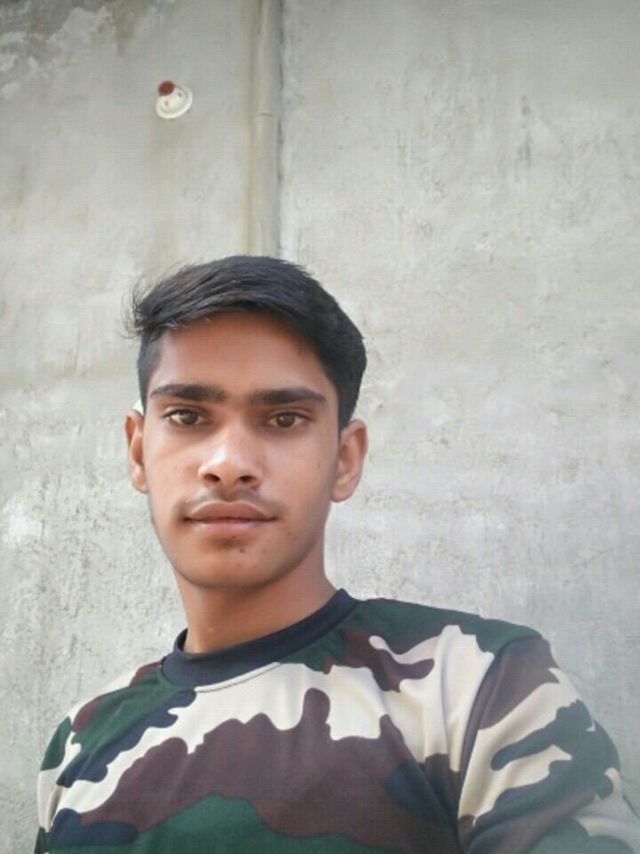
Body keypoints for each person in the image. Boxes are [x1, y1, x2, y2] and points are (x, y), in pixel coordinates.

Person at [36, 256, 639, 853]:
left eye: (284, 419)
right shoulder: (81, 744)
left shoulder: (479, 687)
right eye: (188, 416)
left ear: (345, 460)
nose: (228, 464)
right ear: (138, 451)